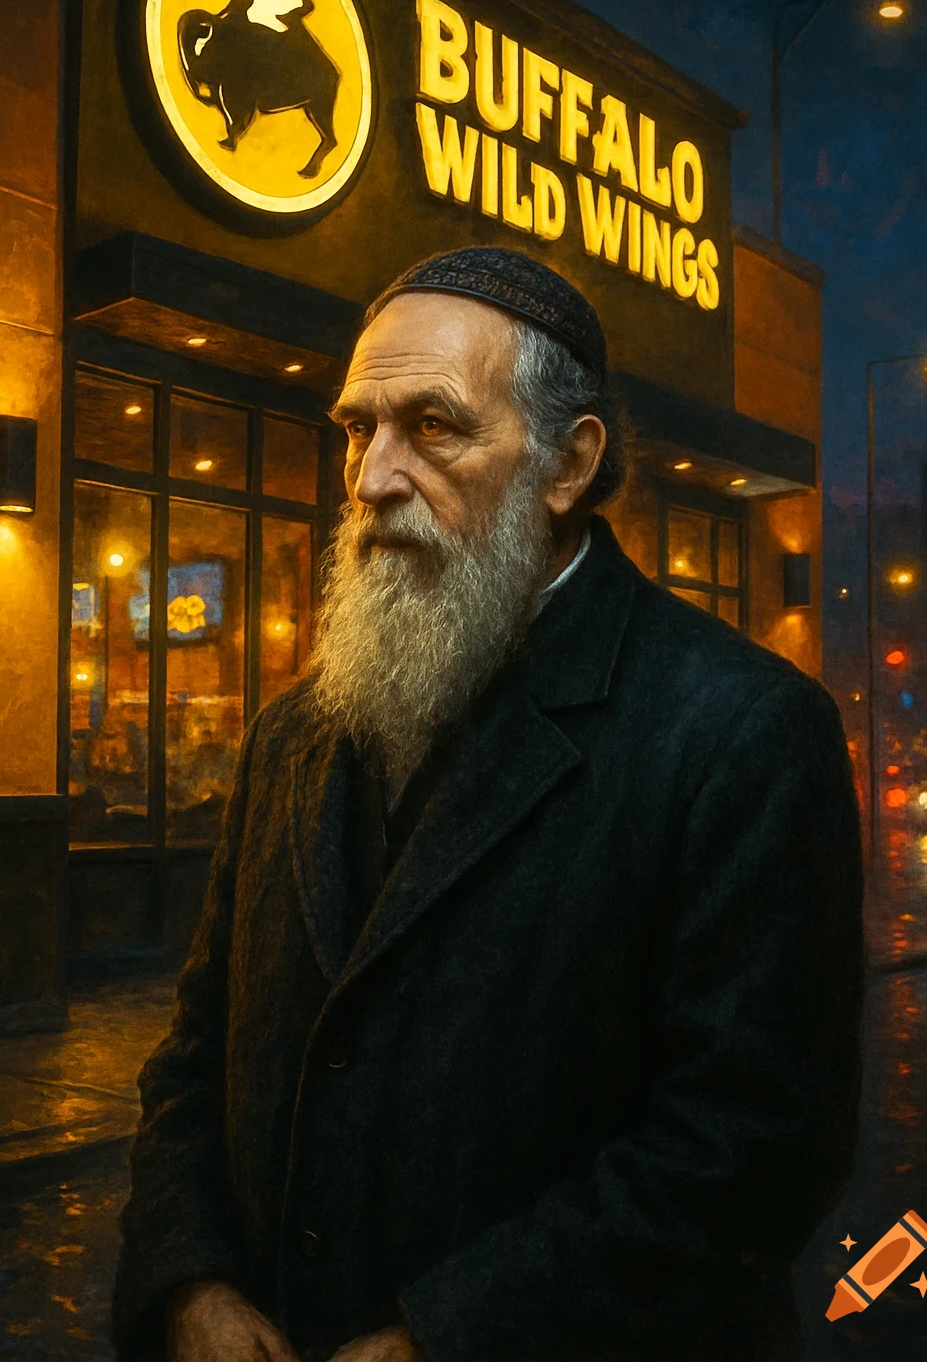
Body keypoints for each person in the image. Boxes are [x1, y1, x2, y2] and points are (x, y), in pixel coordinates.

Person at [112, 246, 864, 1362]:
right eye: (357, 429)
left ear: (568, 462)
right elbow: (193, 1056)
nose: (372, 477)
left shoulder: (739, 731)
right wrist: (192, 1284)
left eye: (432, 426)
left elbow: (750, 1147)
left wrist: (449, 1337)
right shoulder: (292, 734)